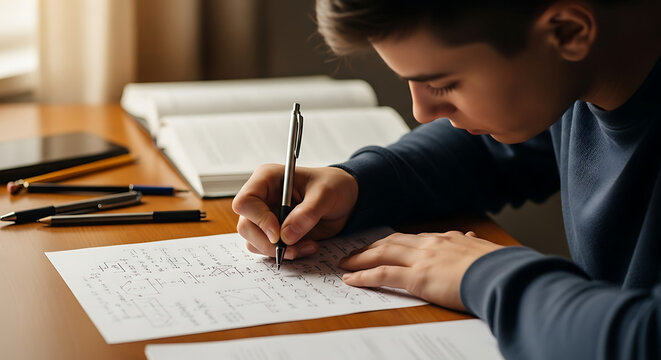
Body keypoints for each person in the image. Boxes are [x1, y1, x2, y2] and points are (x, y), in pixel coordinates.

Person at [232, 0, 661, 358]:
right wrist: (356, 185)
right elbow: (491, 149)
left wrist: (483, 274)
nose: (421, 112)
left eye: (442, 84)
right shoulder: (576, 84)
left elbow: (644, 337)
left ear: (568, 31)